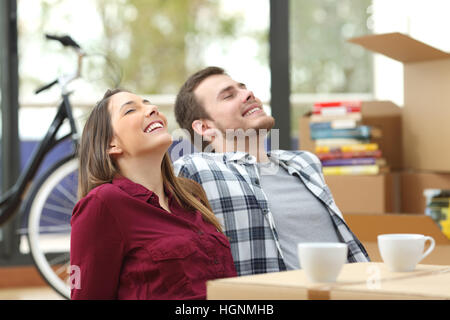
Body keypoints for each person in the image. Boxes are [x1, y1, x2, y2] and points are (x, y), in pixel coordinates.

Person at [173, 66, 370, 276]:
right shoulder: (196, 169)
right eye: (229, 95)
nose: (248, 94)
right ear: (204, 128)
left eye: (243, 88)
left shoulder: (304, 163)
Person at [70, 88, 236, 300]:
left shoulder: (191, 196)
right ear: (111, 144)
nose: (152, 109)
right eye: (130, 110)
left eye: (149, 103)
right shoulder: (103, 203)